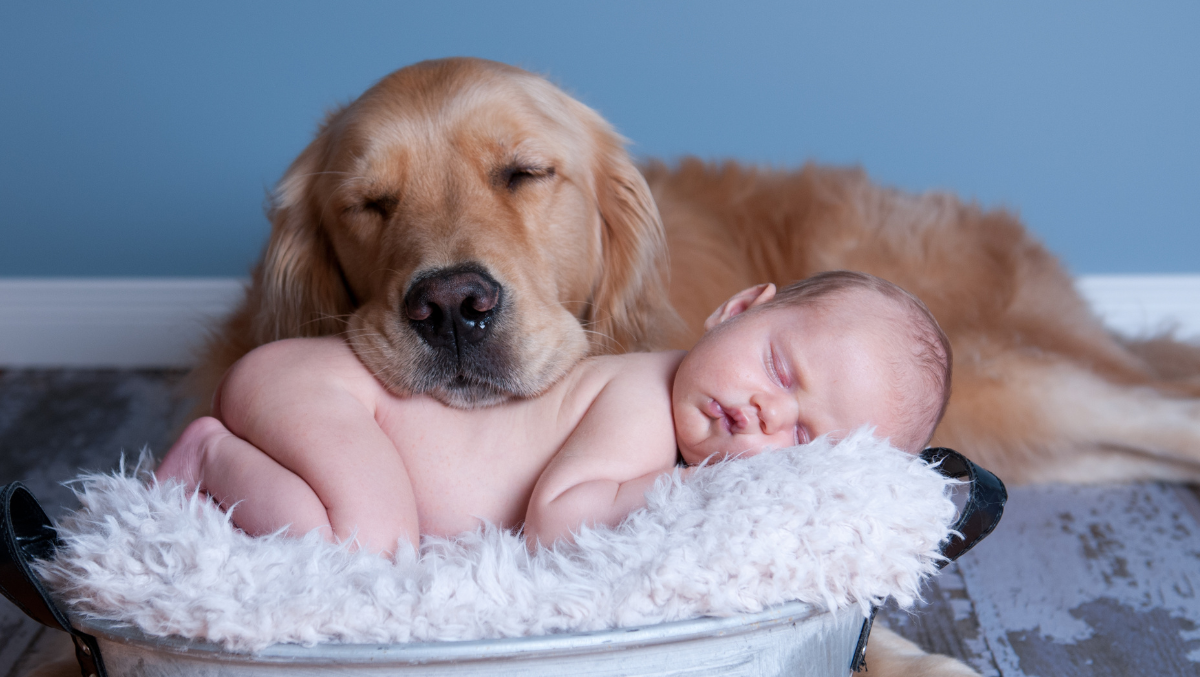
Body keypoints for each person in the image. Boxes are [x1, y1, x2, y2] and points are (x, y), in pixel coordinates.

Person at [158, 271, 952, 556]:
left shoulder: (683, 426)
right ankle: (206, 458)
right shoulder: (644, 398)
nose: (761, 412)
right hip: (332, 393)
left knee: (352, 534)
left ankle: (229, 465)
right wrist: (706, 491)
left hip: (331, 405)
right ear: (738, 308)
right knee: (371, 545)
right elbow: (559, 520)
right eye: (779, 367)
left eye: (802, 436)